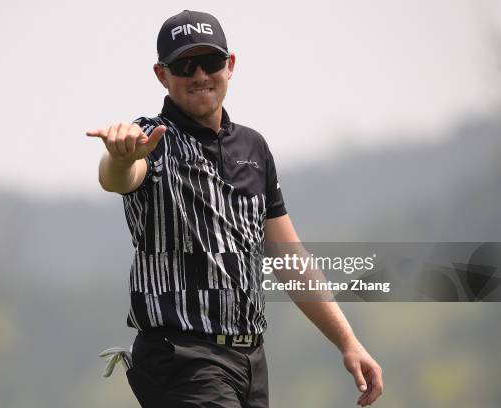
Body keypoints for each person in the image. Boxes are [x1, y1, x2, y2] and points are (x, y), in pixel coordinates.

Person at [87, 10, 383, 408]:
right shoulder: (150, 137)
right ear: (162, 74)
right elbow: (119, 177)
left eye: (209, 62)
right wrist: (121, 156)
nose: (199, 76)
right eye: (184, 65)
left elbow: (289, 258)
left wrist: (348, 343)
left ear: (230, 65)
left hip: (250, 360)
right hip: (180, 356)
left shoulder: (254, 149)